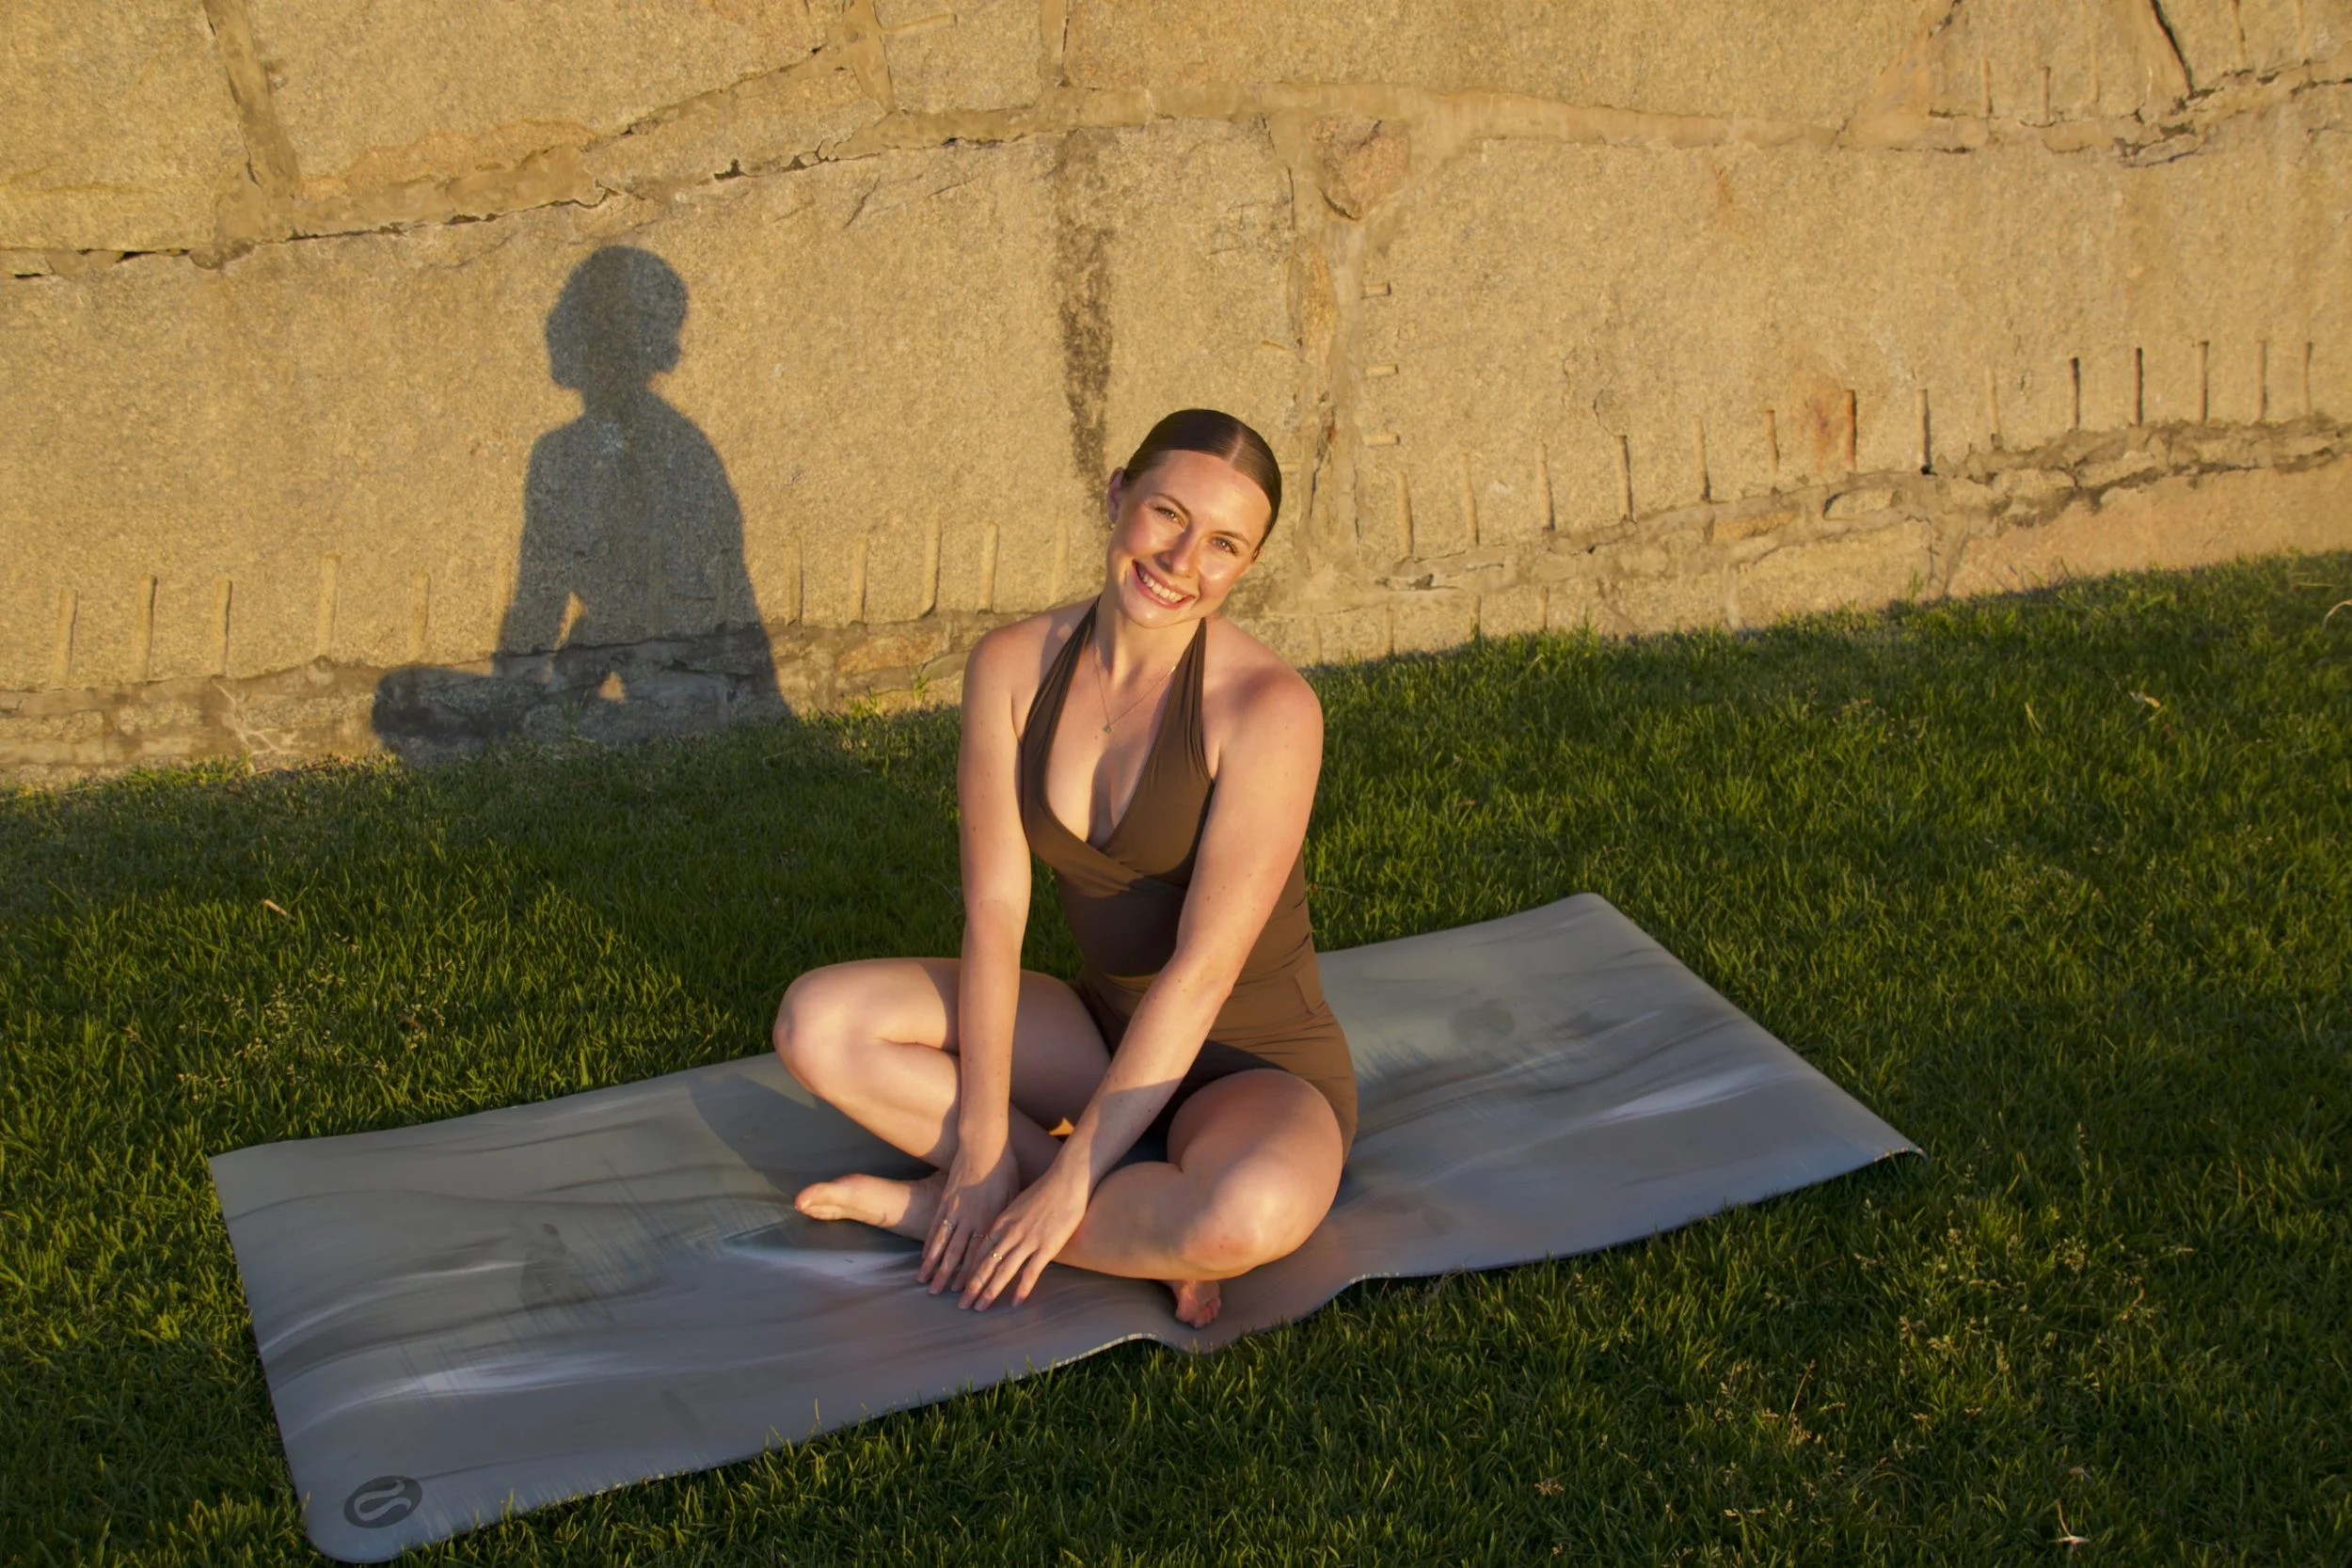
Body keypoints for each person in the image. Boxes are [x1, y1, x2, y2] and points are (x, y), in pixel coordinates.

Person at [774, 408, 1354, 1329]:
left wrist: (1069, 1176)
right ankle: (1068, 1206)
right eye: (1166, 513)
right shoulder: (1010, 665)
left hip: (1249, 1068)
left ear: (1246, 564)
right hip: (1100, 1028)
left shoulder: (1268, 707)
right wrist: (974, 1145)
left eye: (1222, 544)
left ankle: (980, 1211)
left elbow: (1204, 968)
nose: (1180, 560)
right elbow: (998, 908)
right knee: (820, 1021)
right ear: (1118, 492)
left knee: (1247, 1212)